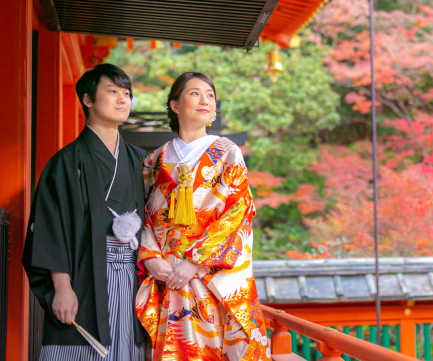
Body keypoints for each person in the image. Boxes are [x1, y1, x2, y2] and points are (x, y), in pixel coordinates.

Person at [136, 72, 270, 361]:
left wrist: (195, 261)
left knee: (213, 346)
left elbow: (237, 211)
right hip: (167, 272)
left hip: (208, 272)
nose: (205, 100)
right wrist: (150, 257)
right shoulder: (154, 159)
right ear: (174, 105)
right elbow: (144, 213)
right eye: (195, 93)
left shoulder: (227, 152)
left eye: (210, 95)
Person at [23, 63, 147, 360]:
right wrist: (61, 287)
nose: (122, 100)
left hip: (133, 276)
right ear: (88, 100)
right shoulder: (66, 162)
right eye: (113, 91)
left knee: (127, 347)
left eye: (127, 94)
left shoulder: (141, 161)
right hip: (83, 275)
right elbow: (52, 227)